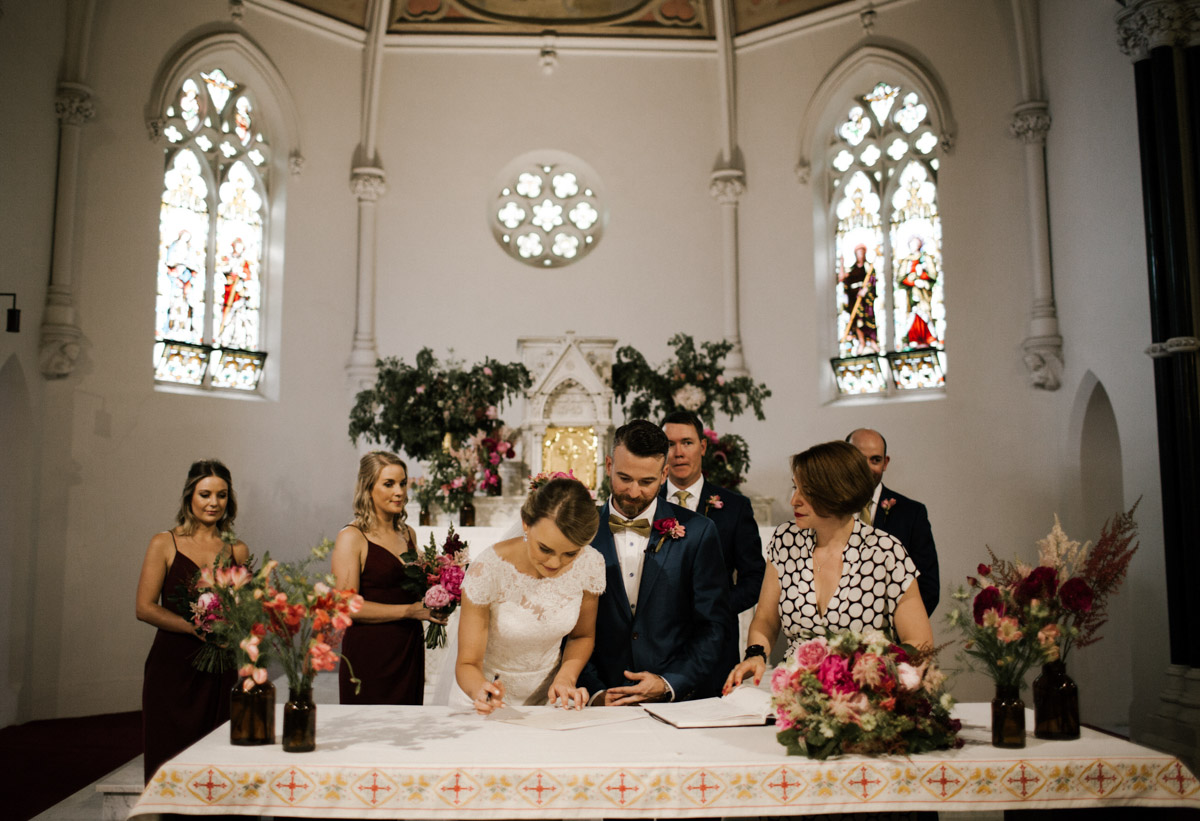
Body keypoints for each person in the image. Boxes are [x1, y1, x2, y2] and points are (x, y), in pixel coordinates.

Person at [724, 441, 932, 693]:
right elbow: (766, 619)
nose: (794, 501)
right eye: (795, 487)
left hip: (861, 691)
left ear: (838, 492)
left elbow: (919, 643)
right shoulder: (786, 540)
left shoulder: (885, 551)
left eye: (807, 492)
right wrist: (755, 654)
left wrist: (875, 679)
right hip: (794, 690)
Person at [579, 420, 732, 704]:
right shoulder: (580, 531)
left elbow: (713, 626)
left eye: (646, 481)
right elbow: (567, 626)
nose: (634, 492)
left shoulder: (698, 532)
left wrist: (669, 682)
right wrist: (597, 692)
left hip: (675, 700)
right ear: (609, 465)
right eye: (624, 478)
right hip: (598, 700)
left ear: (664, 474)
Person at [136, 458, 249, 783]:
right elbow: (144, 607)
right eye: (205, 494)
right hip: (172, 670)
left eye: (222, 495)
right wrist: (194, 628)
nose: (214, 502)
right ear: (189, 497)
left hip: (220, 669)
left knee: (217, 766)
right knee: (170, 766)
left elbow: (246, 612)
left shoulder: (237, 550)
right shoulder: (164, 543)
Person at [455, 477, 604, 714]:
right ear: (526, 523)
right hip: (483, 699)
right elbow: (467, 663)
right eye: (545, 549)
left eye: (570, 553)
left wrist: (566, 677)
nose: (555, 563)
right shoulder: (488, 569)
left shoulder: (591, 564)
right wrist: (481, 691)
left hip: (550, 701)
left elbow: (582, 636)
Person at [660, 410, 764, 678]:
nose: (678, 452)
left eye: (687, 442)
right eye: (669, 444)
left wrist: (714, 608)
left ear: (703, 446)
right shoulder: (647, 502)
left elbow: (754, 579)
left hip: (716, 641)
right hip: (658, 642)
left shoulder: (735, 507)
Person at [332, 451, 442, 704]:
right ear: (368, 488)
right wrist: (409, 611)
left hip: (408, 647)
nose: (400, 491)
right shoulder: (352, 537)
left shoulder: (408, 534)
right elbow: (346, 606)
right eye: (389, 484)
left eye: (403, 483)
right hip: (370, 650)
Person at [846, 427, 939, 615]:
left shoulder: (912, 513)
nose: (867, 467)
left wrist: (898, 631)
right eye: (858, 459)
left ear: (885, 463)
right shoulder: (828, 510)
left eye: (875, 460)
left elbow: (928, 586)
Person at [838, 243, 878, 354]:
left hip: (865, 301)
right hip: (854, 299)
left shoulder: (869, 268)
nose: (860, 255)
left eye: (862, 252)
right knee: (857, 321)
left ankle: (872, 341)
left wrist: (866, 290)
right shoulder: (853, 269)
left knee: (868, 320)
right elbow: (842, 279)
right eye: (858, 253)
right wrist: (841, 263)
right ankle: (861, 342)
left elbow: (872, 281)